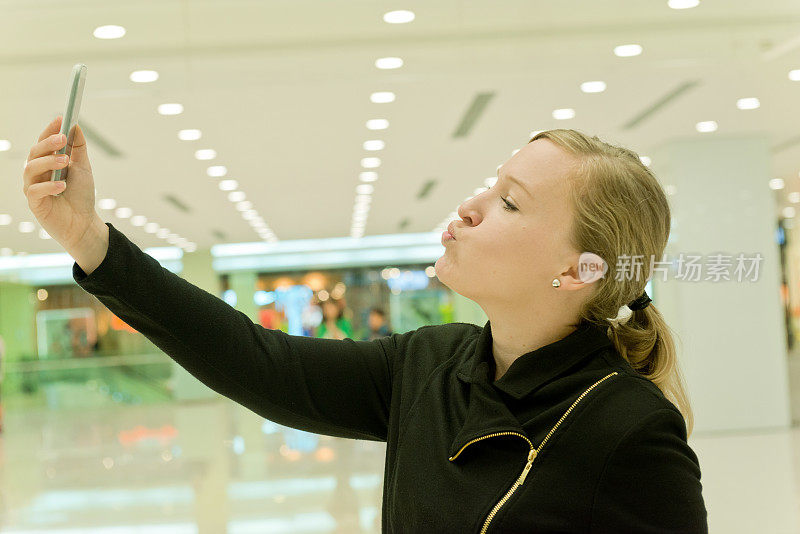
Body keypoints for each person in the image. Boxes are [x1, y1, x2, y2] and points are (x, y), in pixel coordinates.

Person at [22, 115, 707, 532]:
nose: (470, 207)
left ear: (579, 270)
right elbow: (258, 361)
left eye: (510, 203)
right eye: (489, 184)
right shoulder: (431, 365)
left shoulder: (628, 429)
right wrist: (91, 241)